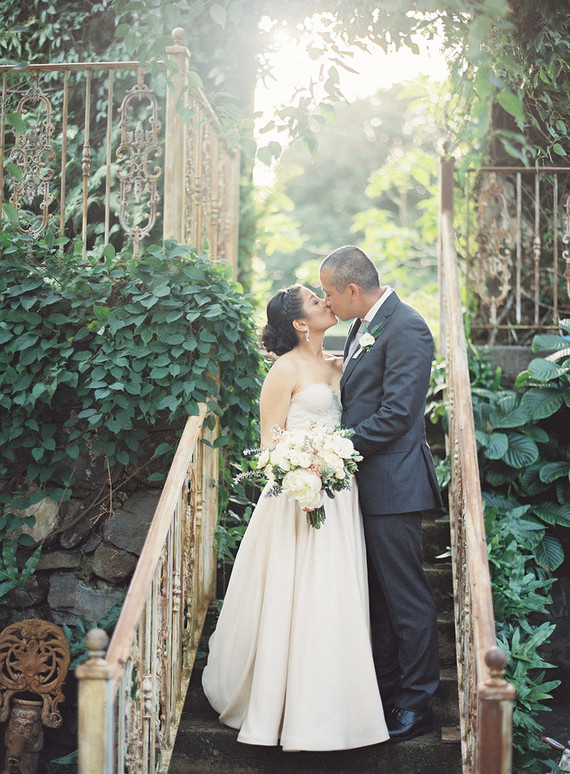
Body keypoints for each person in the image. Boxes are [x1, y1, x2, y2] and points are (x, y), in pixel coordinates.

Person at [202, 284, 389, 752]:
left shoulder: (343, 362)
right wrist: (307, 464)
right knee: (295, 595)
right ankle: (280, 706)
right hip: (296, 496)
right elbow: (270, 445)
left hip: (341, 496)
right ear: (300, 324)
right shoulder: (283, 371)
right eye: (314, 300)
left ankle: (335, 707)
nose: (326, 302)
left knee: (334, 594)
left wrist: (333, 462)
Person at [320, 245, 442, 743]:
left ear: (353, 289)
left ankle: (418, 704)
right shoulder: (360, 326)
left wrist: (332, 445)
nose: (326, 303)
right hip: (363, 487)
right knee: (378, 601)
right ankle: (387, 692)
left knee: (406, 600)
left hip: (394, 486)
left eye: (330, 293)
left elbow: (395, 415)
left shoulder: (407, 326)